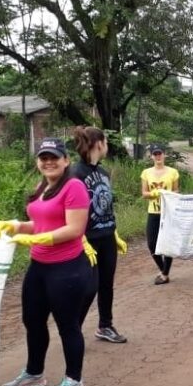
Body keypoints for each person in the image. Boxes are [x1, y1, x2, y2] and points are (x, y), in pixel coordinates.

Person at [0, 137, 97, 386]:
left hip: (67, 268)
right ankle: (34, 373)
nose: (49, 162)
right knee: (33, 321)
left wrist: (41, 238)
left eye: (54, 157)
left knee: (67, 325)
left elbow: (75, 228)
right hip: (38, 267)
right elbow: (40, 222)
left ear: (66, 160)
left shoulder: (74, 186)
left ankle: (74, 380)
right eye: (44, 158)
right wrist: (16, 226)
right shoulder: (42, 186)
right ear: (38, 161)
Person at [71, 126, 128, 343]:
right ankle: (73, 329)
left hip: (107, 236)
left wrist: (115, 234)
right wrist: (80, 238)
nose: (107, 146)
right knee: (89, 287)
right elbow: (70, 210)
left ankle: (105, 325)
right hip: (87, 240)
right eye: (105, 142)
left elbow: (107, 207)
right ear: (98, 144)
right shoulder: (75, 174)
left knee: (106, 284)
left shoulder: (103, 173)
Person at [140, 142, 180, 284]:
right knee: (152, 243)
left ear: (164, 155)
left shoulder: (173, 172)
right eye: (155, 154)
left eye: (160, 153)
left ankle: (165, 274)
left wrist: (167, 194)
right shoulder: (146, 173)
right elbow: (144, 193)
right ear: (151, 156)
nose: (158, 156)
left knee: (168, 243)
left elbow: (176, 191)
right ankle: (163, 269)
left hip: (168, 212)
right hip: (153, 211)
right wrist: (155, 193)